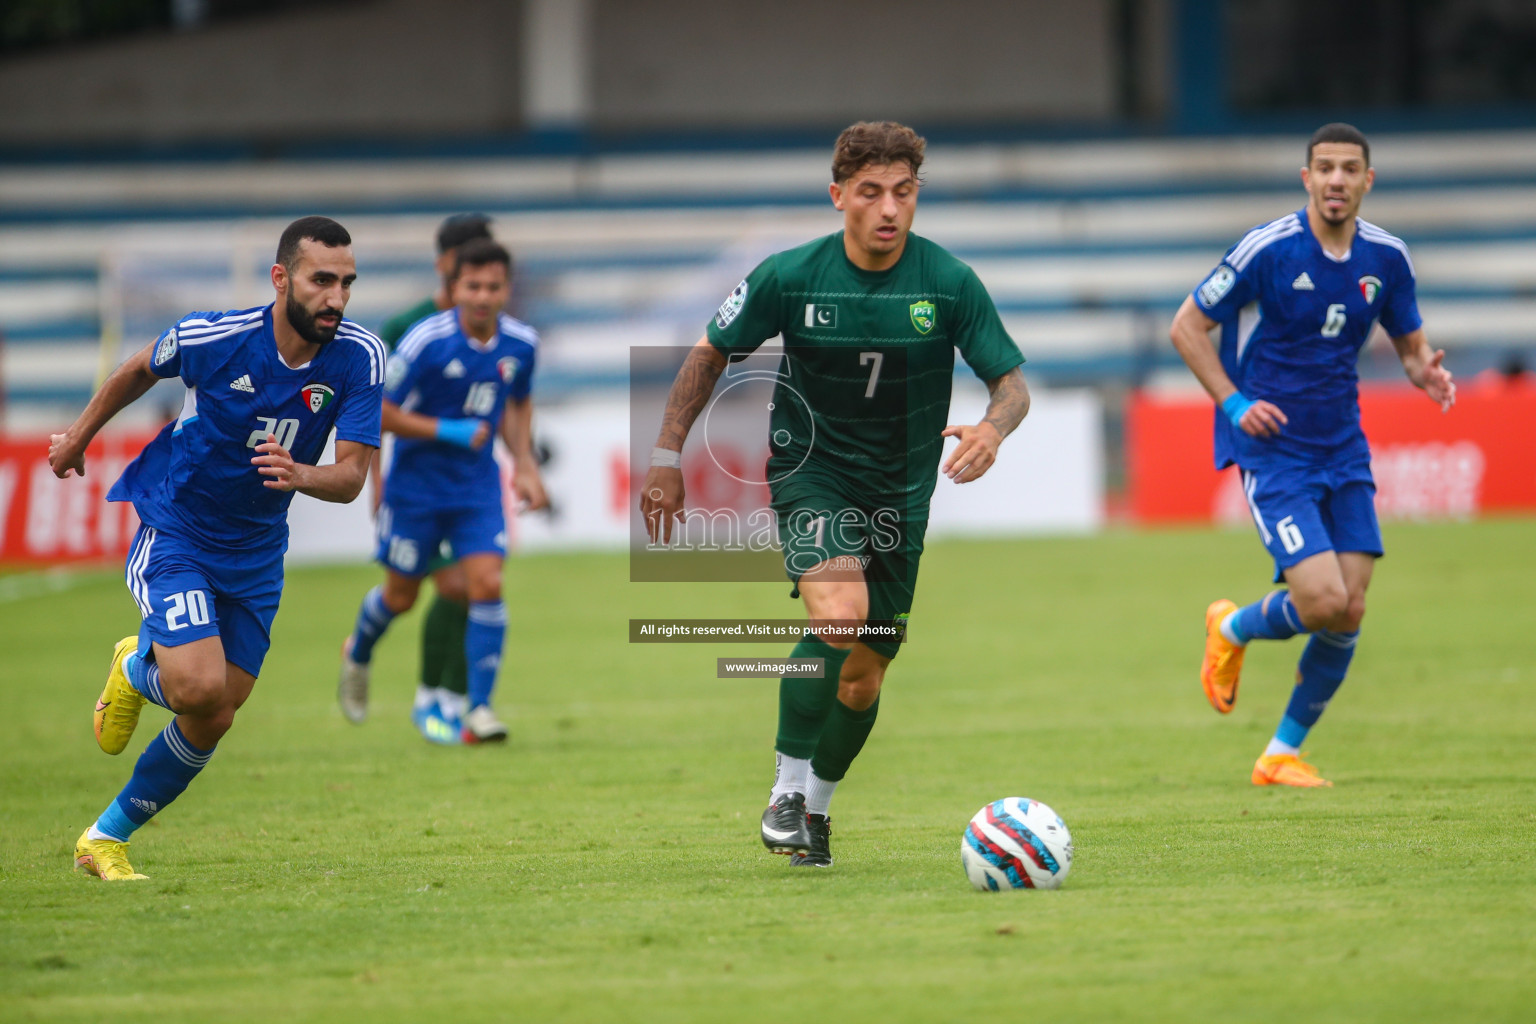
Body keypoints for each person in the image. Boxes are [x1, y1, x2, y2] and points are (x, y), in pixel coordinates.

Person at [640, 121, 1029, 867]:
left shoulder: (947, 282)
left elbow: (1011, 384)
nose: (889, 209)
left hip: (901, 493)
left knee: (864, 672)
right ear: (838, 196)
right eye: (872, 192)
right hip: (811, 473)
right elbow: (709, 354)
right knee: (840, 614)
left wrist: (992, 428)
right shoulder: (789, 275)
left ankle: (815, 814)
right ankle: (784, 793)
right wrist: (665, 455)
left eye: (905, 192)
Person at [51, 216, 385, 880]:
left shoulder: (360, 357)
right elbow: (136, 371)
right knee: (196, 686)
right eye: (323, 281)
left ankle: (104, 837)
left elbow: (349, 479)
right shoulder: (216, 336)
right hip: (179, 530)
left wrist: (300, 474)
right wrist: (78, 437)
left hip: (258, 553)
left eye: (347, 283)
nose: (337, 299)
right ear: (282, 278)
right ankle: (139, 667)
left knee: (218, 711)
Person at [1170, 123, 1456, 788]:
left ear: (1366, 181)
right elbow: (1187, 326)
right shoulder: (1269, 249)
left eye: (1349, 169)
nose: (1336, 179)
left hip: (1343, 448)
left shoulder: (1387, 258)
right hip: (1274, 451)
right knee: (1323, 598)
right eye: (1324, 167)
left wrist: (1425, 371)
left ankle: (1279, 754)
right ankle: (1233, 627)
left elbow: (1411, 344)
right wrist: (1234, 403)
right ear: (1307, 178)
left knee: (1350, 608)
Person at [338, 238, 546, 745]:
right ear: (454, 288)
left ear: (506, 289)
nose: (482, 295)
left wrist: (523, 464)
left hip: (475, 490)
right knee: (402, 596)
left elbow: (518, 403)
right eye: (471, 285)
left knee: (485, 584)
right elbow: (377, 409)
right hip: (416, 492)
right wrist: (444, 430)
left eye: (492, 286)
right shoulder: (425, 340)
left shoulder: (522, 344)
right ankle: (358, 649)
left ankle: (477, 708)